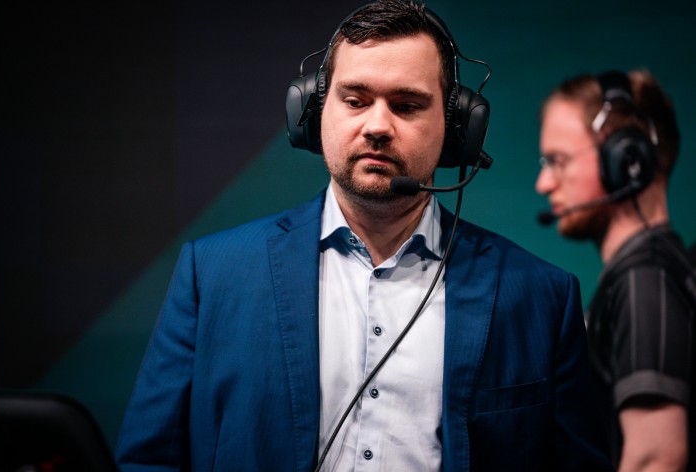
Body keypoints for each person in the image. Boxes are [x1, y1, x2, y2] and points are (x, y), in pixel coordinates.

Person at [116, 1, 613, 470]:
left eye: (407, 105)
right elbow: (149, 460)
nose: (377, 126)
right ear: (313, 111)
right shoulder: (212, 275)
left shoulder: (542, 298)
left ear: (456, 127)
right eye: (355, 100)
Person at [536, 69, 695, 470]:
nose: (544, 183)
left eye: (557, 161)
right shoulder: (646, 275)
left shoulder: (645, 279)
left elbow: (656, 458)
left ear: (627, 160)